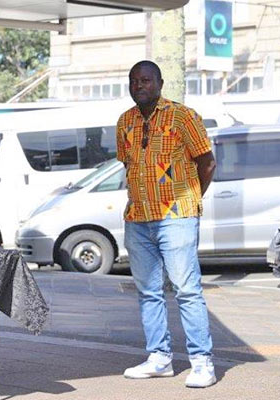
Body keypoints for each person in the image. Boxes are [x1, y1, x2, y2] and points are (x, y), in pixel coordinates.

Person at [117, 60, 217, 388]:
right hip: (138, 219)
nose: (138, 86)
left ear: (160, 82)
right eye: (133, 81)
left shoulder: (182, 116)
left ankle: (202, 363)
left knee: (187, 291)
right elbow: (128, 167)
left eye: (145, 80)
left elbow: (207, 162)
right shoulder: (124, 122)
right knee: (149, 292)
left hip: (177, 217)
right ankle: (159, 359)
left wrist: (188, 200)